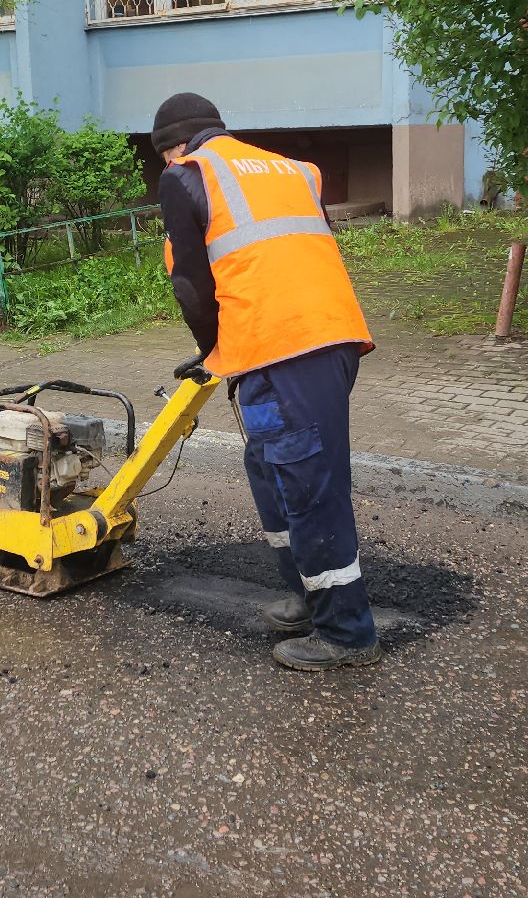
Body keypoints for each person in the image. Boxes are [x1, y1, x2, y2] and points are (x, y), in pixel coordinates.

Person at [151, 92, 381, 671]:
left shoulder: (188, 177)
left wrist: (213, 349)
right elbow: (278, 261)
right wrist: (226, 355)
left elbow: (191, 286)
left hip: (285, 350)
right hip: (328, 338)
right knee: (272, 471)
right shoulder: (291, 170)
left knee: (308, 485)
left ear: (173, 149)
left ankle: (347, 635)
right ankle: (309, 596)